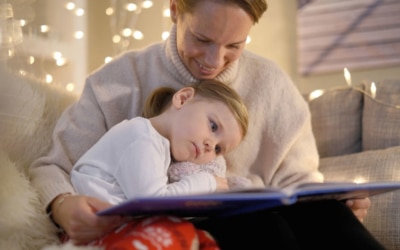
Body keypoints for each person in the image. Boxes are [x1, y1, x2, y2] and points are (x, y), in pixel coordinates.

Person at [29, 0, 384, 249]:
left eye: (235, 45)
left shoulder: (273, 85)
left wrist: (339, 201)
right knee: (262, 227)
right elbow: (51, 166)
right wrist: (62, 204)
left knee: (327, 215)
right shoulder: (116, 81)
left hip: (253, 208)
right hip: (186, 222)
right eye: (202, 39)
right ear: (173, 9)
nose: (214, 61)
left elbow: (299, 184)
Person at [70, 79, 249, 204]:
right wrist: (208, 182)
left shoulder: (158, 146)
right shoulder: (141, 135)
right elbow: (153, 203)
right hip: (90, 227)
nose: (210, 145)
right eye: (213, 126)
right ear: (183, 98)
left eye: (218, 149)